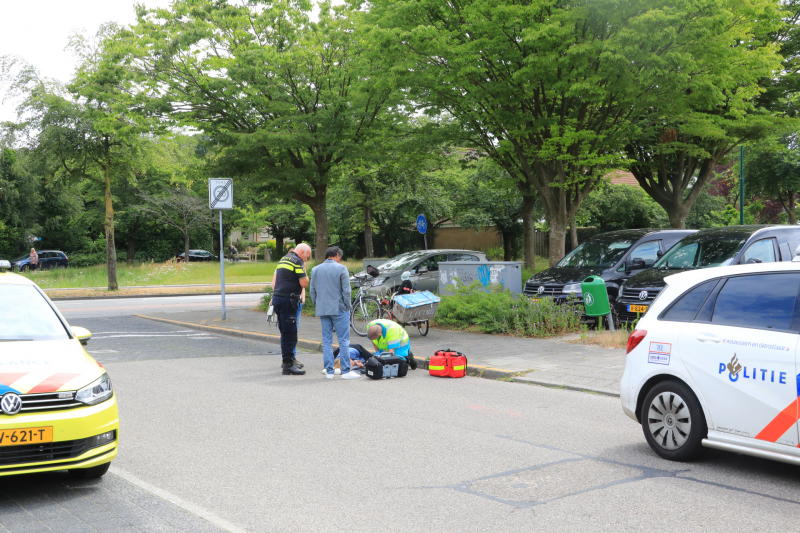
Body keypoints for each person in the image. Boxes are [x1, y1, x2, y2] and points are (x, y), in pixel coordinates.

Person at [309, 246, 360, 379]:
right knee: (343, 340)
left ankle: (329, 371)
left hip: (323, 309)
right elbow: (346, 291)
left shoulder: (315, 269)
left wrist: (317, 304)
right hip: (339, 308)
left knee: (326, 340)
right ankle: (346, 371)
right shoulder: (341, 268)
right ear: (337, 255)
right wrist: (347, 306)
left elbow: (312, 291)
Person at [272, 242, 312, 375]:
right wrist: (304, 269)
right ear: (302, 253)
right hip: (288, 300)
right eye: (307, 257)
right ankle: (288, 365)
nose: (306, 260)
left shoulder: (284, 259)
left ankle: (289, 360)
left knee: (285, 332)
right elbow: (304, 283)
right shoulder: (297, 261)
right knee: (290, 333)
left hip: (278, 299)